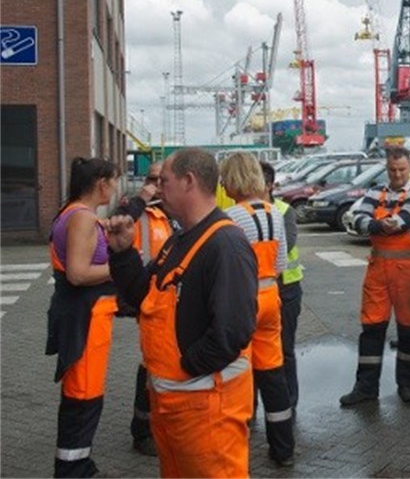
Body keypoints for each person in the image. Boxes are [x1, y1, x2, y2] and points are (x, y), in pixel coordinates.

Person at [106, 148, 258, 478]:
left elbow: (232, 331)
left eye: (164, 181)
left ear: (189, 181)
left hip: (207, 411)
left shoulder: (226, 244)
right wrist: (122, 254)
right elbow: (142, 295)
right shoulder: (180, 239)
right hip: (176, 407)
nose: (157, 189)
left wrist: (187, 367)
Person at [46, 157, 121, 478]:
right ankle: (72, 469)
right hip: (86, 319)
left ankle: (78, 464)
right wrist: (121, 266)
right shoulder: (82, 218)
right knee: (84, 396)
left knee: (83, 394)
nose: (115, 188)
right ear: (101, 183)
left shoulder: (74, 213)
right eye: (113, 181)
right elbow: (77, 274)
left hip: (82, 316)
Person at [220, 153, 295, 467]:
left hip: (244, 301)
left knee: (239, 374)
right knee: (273, 373)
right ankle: (283, 448)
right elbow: (281, 264)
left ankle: (238, 443)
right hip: (271, 298)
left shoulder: (230, 217)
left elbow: (227, 270)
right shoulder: (274, 213)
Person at [340, 147, 410, 406]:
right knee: (371, 327)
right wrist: (379, 225)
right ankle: (366, 387)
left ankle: (407, 383)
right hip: (378, 270)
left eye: (402, 169)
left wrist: (374, 225)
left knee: (408, 329)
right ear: (386, 169)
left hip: (407, 272)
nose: (397, 174)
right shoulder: (375, 191)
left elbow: (401, 222)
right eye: (392, 170)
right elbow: (357, 219)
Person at [116, 162, 176, 458]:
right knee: (151, 365)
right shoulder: (137, 211)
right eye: (152, 179)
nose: (157, 186)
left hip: (167, 303)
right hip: (147, 302)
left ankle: (156, 425)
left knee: (160, 365)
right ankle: (142, 431)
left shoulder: (170, 214)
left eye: (163, 180)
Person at [261, 161, 304, 415]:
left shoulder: (284, 211)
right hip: (258, 290)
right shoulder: (241, 210)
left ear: (269, 185)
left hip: (286, 289)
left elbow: (285, 246)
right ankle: (252, 405)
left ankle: (289, 401)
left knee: (285, 349)